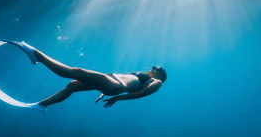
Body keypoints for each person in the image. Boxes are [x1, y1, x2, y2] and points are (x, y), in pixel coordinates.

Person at [14, 42, 166, 110]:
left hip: (115, 86)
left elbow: (141, 94)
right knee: (72, 85)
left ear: (160, 74)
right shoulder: (145, 76)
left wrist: (117, 98)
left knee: (77, 71)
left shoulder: (157, 82)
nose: (152, 68)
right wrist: (103, 93)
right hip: (111, 82)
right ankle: (41, 105)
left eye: (155, 68)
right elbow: (129, 82)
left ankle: (36, 55)